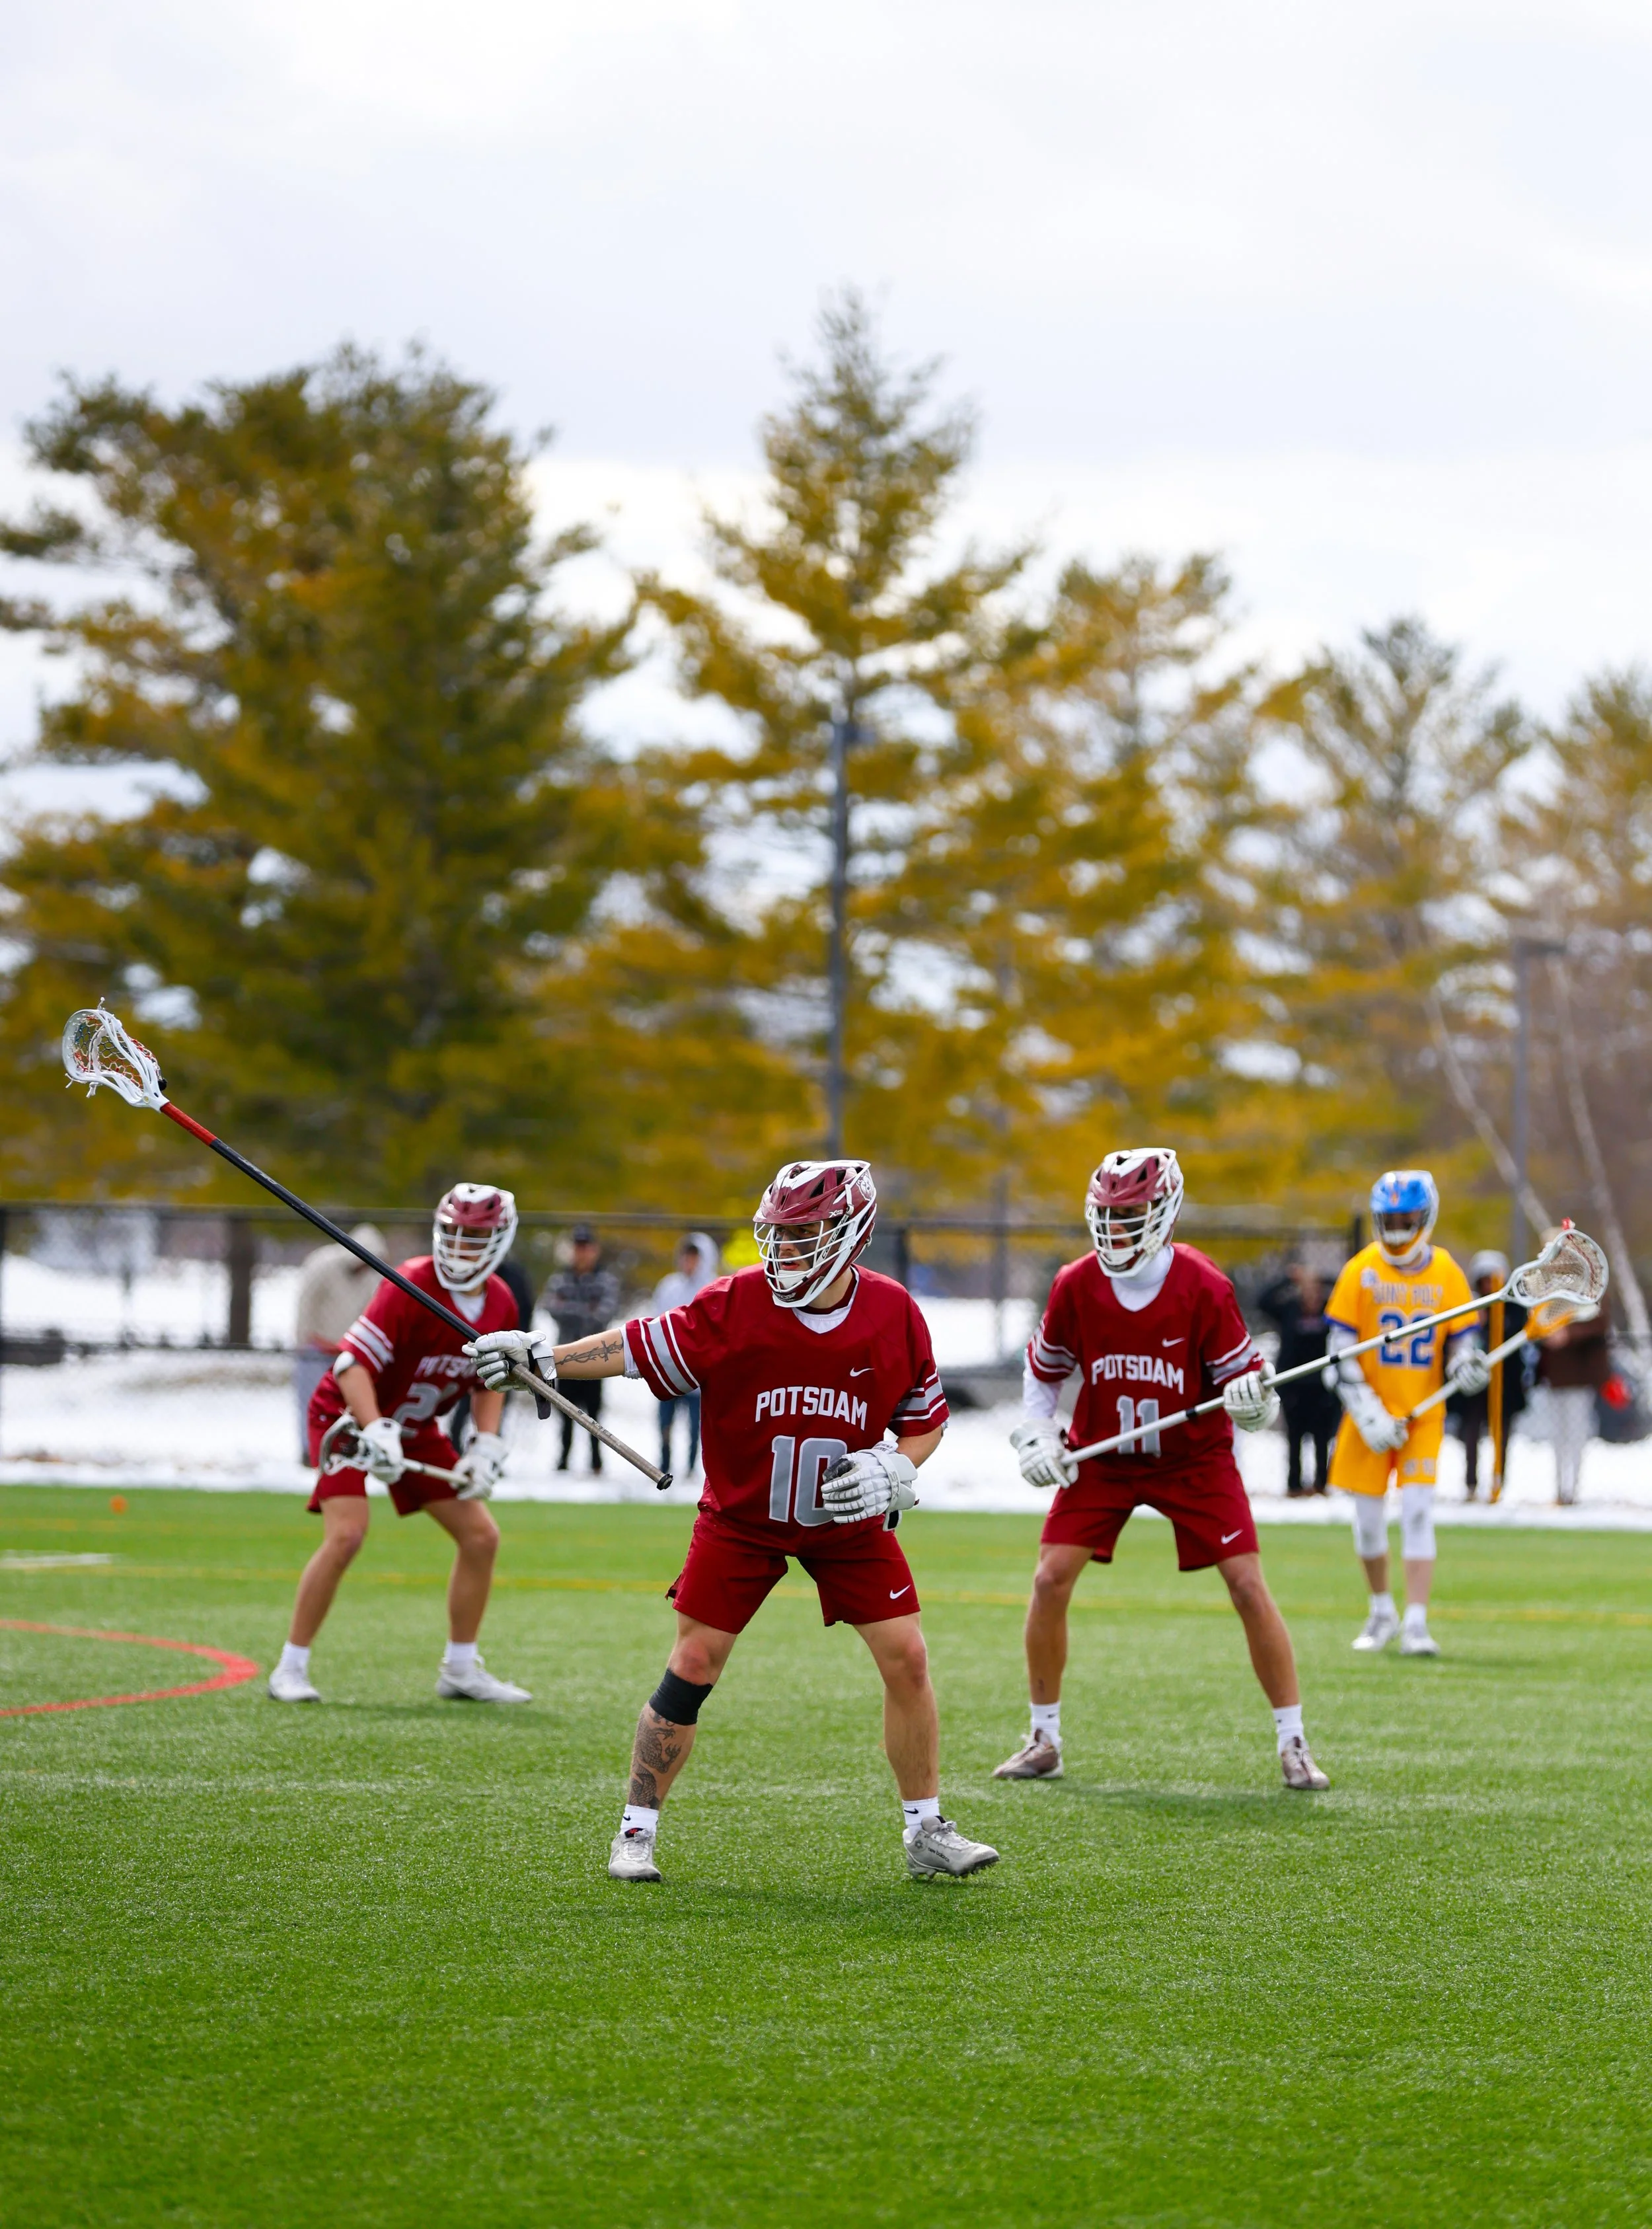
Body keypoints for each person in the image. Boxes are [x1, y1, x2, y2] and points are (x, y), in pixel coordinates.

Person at [469, 1158, 999, 1885]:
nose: (786, 1250)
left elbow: (924, 1421)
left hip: (845, 1517)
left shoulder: (894, 1311)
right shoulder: (736, 1300)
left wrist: (898, 1467)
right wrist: (545, 1357)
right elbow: (637, 1346)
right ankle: (635, 1830)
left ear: (852, 1233)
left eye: (805, 1234)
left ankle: (926, 1828)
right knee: (693, 1662)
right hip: (743, 1515)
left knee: (907, 1656)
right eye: (780, 1234)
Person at [994, 1147, 1330, 1794]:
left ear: (1164, 1213)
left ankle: (1293, 1739)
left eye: (1130, 1215)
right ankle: (1043, 1737)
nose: (1116, 1228)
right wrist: (1037, 1432)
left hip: (1192, 1457)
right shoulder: (1076, 1283)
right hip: (1103, 1453)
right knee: (1049, 1579)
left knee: (1246, 1585)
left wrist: (1252, 1401)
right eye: (1108, 1215)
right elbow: (1044, 1368)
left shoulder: (1203, 1284)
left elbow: (1252, 1399)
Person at [266, 1184, 531, 1707]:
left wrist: (484, 1444)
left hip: (413, 1425)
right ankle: (289, 1667)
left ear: (500, 1239)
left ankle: (461, 1669)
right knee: (347, 1534)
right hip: (347, 1416)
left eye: (475, 1236)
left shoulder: (500, 1301)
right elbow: (351, 1365)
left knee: (481, 1536)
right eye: (454, 1233)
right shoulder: (411, 1282)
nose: (460, 1247)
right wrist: (374, 1428)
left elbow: (490, 1381)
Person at [1326, 1171, 1488, 1658]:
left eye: (1406, 1219)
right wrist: (1368, 1410)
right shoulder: (1361, 1270)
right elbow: (1338, 1352)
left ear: (1427, 1216)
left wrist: (1464, 1366)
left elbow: (1461, 1341)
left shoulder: (1447, 1272)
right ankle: (1381, 1610)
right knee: (1368, 1522)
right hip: (1368, 1415)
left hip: (1423, 1414)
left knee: (1418, 1510)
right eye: (1389, 1220)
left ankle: (1417, 1621)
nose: (1397, 1230)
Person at [291, 1225, 385, 1459]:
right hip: (315, 1348)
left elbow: (369, 1312)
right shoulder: (323, 1264)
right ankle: (310, 1451)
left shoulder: (370, 1277)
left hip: (346, 1351)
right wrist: (306, 1340)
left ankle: (340, 1448)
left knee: (345, 1403)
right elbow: (306, 1305)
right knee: (311, 1401)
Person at [542, 1225, 621, 1472]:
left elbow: (604, 1314)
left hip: (596, 1355)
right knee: (564, 1409)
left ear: (595, 1250)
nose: (582, 1253)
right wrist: (585, 1310)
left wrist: (571, 1310)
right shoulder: (560, 1279)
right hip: (565, 1355)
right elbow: (551, 1307)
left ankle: (596, 1461)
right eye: (578, 1247)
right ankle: (564, 1459)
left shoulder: (606, 1280)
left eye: (586, 1247)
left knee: (594, 1412)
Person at [1256, 1260, 1338, 1495]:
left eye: (1315, 1289)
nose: (1311, 1295)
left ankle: (1322, 1484)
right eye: (1307, 1289)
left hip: (1322, 1386)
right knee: (1295, 1437)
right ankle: (1294, 1485)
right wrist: (1288, 1279)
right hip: (1294, 1386)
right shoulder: (1289, 1311)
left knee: (1322, 1438)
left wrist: (1322, 1277)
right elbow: (1263, 1301)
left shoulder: (1330, 1311)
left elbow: (1345, 1287)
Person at [1450, 1250, 1525, 1499]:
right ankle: (1471, 1483)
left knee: (1502, 1433)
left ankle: (1498, 1481)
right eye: (1485, 1280)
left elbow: (1517, 1336)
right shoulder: (1471, 1306)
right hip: (1476, 1384)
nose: (1489, 1285)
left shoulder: (1514, 1307)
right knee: (1471, 1430)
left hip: (1506, 1383)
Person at [647, 1232, 721, 1474]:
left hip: (698, 1370)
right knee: (665, 1421)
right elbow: (656, 1321)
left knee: (695, 1424)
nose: (689, 1262)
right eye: (686, 1256)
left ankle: (690, 1466)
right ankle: (665, 1463)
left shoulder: (714, 1288)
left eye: (694, 1257)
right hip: (669, 1366)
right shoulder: (669, 1286)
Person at [1534, 1301, 1610, 1505]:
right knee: (1557, 1436)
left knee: (1576, 1434)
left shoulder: (1591, 1293)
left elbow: (1599, 1322)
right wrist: (1545, 1332)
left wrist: (1568, 1333)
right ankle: (1560, 1488)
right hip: (1555, 1378)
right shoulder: (1550, 1295)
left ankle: (1573, 1490)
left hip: (1579, 1378)